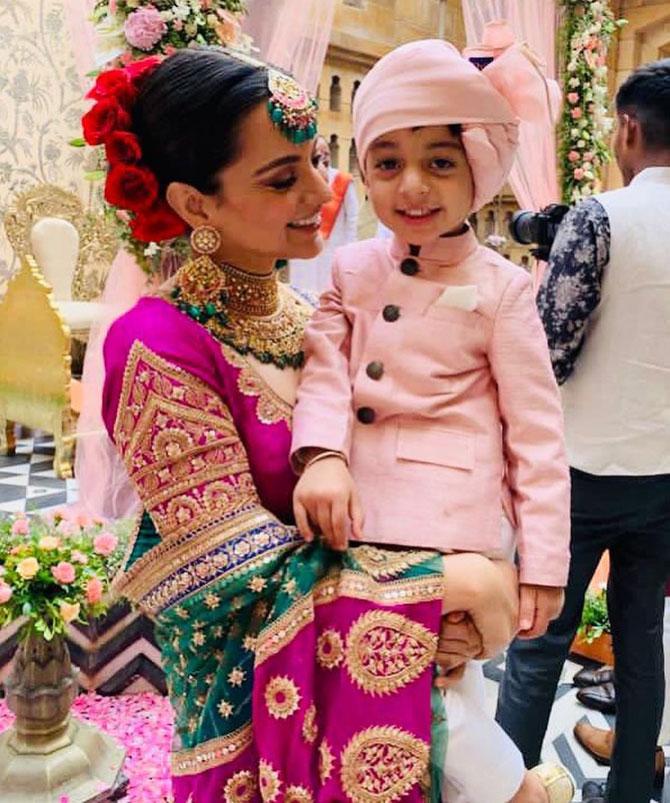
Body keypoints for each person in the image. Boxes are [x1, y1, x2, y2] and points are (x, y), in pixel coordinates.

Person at [92, 48, 522, 802]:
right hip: (255, 730)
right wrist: (449, 585)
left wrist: (447, 604)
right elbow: (234, 577)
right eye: (282, 178)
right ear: (197, 205)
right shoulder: (157, 346)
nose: (323, 190)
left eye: (317, 159)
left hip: (386, 677)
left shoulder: (311, 318)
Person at [290, 38, 573, 803]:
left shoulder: (505, 288)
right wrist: (321, 454)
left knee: (445, 692)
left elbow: (538, 435)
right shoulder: (350, 268)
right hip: (357, 518)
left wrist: (543, 562)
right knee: (410, 701)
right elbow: (324, 368)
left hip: (453, 531)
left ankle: (524, 792)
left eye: (439, 163)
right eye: (388, 163)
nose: (412, 186)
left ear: (476, 170)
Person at [496, 59, 670, 803]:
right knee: (640, 646)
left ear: (628, 127)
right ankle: (632, 791)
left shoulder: (601, 217)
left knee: (537, 645)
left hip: (580, 474)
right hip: (664, 475)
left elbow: (547, 355)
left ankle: (510, 789)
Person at [289, 134, 359, 294]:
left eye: (325, 152)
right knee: (303, 283)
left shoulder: (343, 179)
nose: (323, 156)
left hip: (335, 243)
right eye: (317, 154)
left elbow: (352, 218)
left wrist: (349, 247)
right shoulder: (300, 178)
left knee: (328, 285)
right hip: (304, 242)